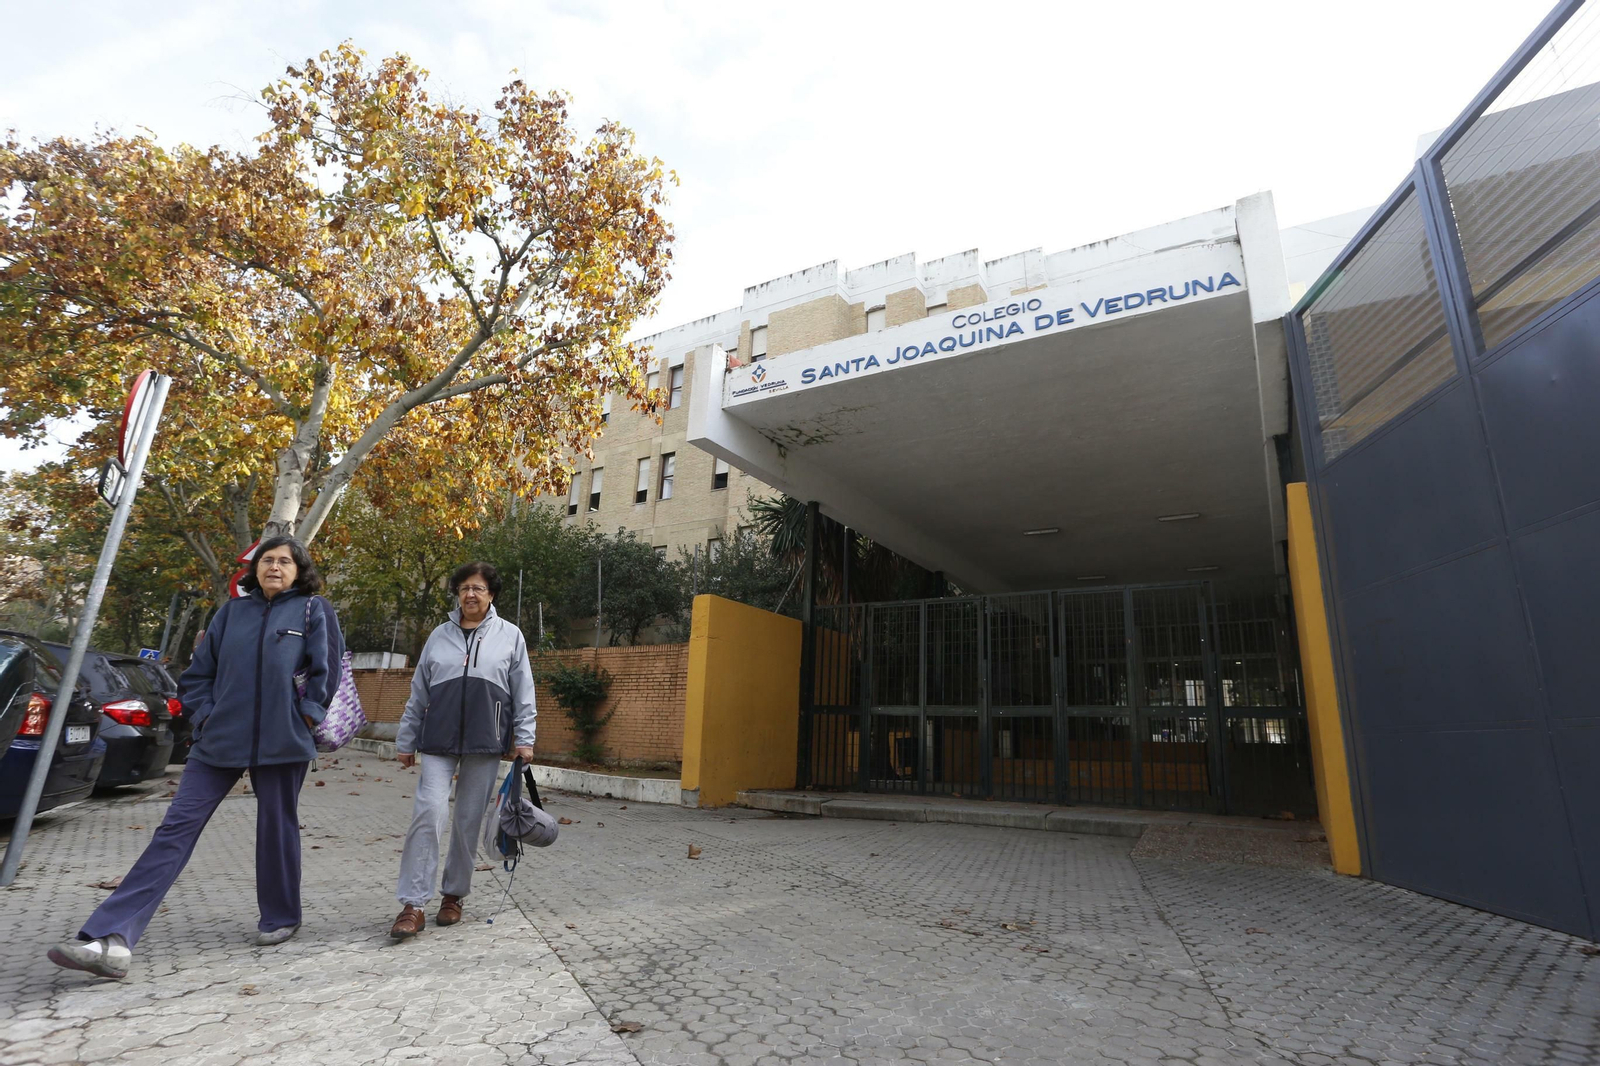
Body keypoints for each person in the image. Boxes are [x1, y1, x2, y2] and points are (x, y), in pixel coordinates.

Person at [48, 537, 344, 979]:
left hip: (283, 740)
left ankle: (281, 916)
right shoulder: (231, 613)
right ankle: (112, 937)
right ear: (254, 569)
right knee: (175, 829)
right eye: (267, 560)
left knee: (277, 828)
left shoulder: (313, 610)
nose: (275, 567)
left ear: (299, 571)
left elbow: (327, 669)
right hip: (219, 739)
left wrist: (306, 715)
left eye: (285, 561)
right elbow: (198, 674)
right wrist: (205, 715)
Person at [390, 561, 536, 938]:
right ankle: (413, 904)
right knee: (429, 811)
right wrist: (406, 738)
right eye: (464, 588)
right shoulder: (439, 636)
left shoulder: (510, 636)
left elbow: (523, 692)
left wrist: (525, 738)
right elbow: (419, 691)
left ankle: (453, 895)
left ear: (491, 594)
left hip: (485, 741)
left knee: (467, 821)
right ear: (457, 594)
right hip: (438, 739)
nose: (471, 594)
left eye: (478, 588)